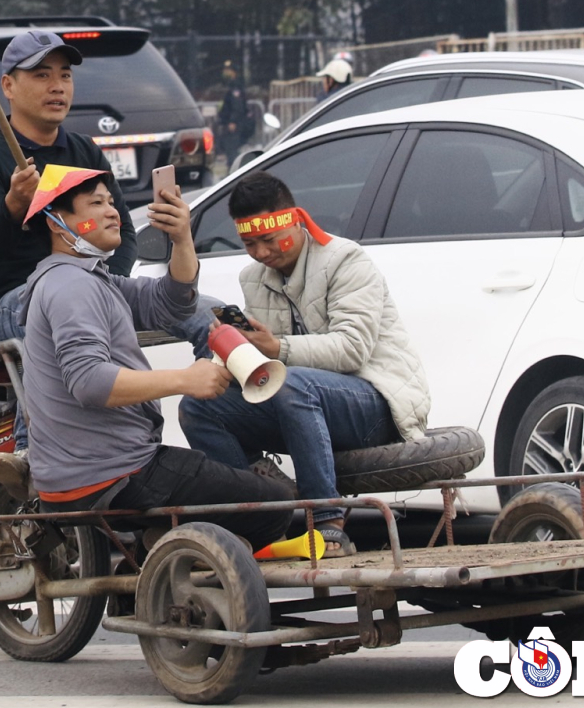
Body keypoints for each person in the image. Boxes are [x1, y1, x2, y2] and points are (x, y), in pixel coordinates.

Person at [15, 164, 303, 553]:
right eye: (95, 203)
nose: (113, 211)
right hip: (115, 471)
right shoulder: (71, 287)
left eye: (111, 201)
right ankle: (181, 559)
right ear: (56, 223)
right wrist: (185, 380)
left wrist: (181, 238)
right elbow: (90, 382)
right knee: (274, 505)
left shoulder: (91, 279)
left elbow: (171, 302)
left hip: (101, 469)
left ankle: (166, 548)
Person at [177, 170, 430, 557]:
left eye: (268, 239)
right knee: (198, 405)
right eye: (248, 243)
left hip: (376, 404)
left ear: (294, 221)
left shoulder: (347, 260)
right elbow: (266, 371)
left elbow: (351, 350)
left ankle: (327, 521)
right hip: (299, 403)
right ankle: (260, 510)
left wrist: (276, 348)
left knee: (294, 383)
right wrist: (230, 356)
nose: (261, 252)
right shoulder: (253, 278)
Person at [0, 29, 137, 334]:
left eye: (65, 76)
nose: (57, 87)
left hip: (96, 288)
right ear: (8, 86)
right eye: (42, 76)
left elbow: (124, 231)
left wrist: (113, 284)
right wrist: (14, 207)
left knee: (203, 311)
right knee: (74, 302)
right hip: (18, 301)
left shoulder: (86, 151)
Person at [215, 62, 252, 158]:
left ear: (234, 72)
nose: (225, 72)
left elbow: (237, 106)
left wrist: (233, 121)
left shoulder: (236, 86)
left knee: (232, 150)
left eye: (228, 70)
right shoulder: (230, 85)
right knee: (229, 149)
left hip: (235, 125)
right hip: (229, 123)